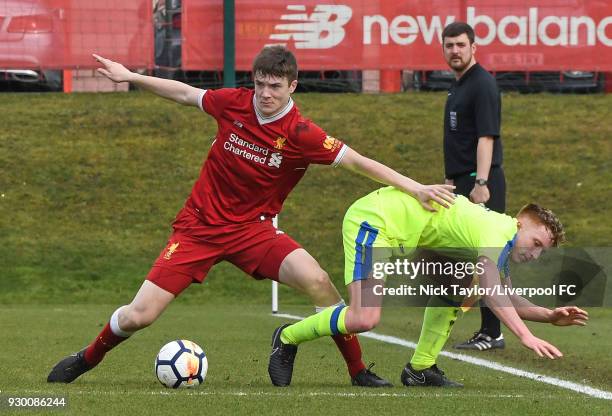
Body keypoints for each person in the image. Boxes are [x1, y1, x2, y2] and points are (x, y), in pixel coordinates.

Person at [46, 46, 455, 387]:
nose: (264, 94)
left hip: (254, 232)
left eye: (274, 86)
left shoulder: (301, 134)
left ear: (293, 85)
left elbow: (360, 162)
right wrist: (130, 76)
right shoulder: (234, 104)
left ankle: (358, 370)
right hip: (199, 229)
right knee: (140, 315)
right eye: (259, 84)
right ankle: (87, 358)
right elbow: (185, 93)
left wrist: (416, 188)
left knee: (320, 285)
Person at [269, 187, 588, 387]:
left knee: (464, 287)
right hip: (375, 221)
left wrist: (549, 315)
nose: (535, 253)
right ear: (519, 223)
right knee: (364, 318)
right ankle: (287, 337)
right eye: (535, 242)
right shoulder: (499, 229)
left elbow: (502, 293)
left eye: (542, 251)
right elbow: (493, 290)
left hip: (400, 234)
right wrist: (525, 335)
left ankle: (420, 369)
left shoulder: (499, 238)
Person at [440, 22, 507, 351]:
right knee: (469, 256)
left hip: (482, 181)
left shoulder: (482, 84)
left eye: (460, 45)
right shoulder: (459, 85)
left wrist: (481, 182)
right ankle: (485, 328)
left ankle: (493, 332)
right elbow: (459, 139)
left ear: (473, 47)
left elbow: (486, 137)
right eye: (449, 45)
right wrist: (451, 179)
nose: (455, 50)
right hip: (462, 180)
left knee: (487, 257)